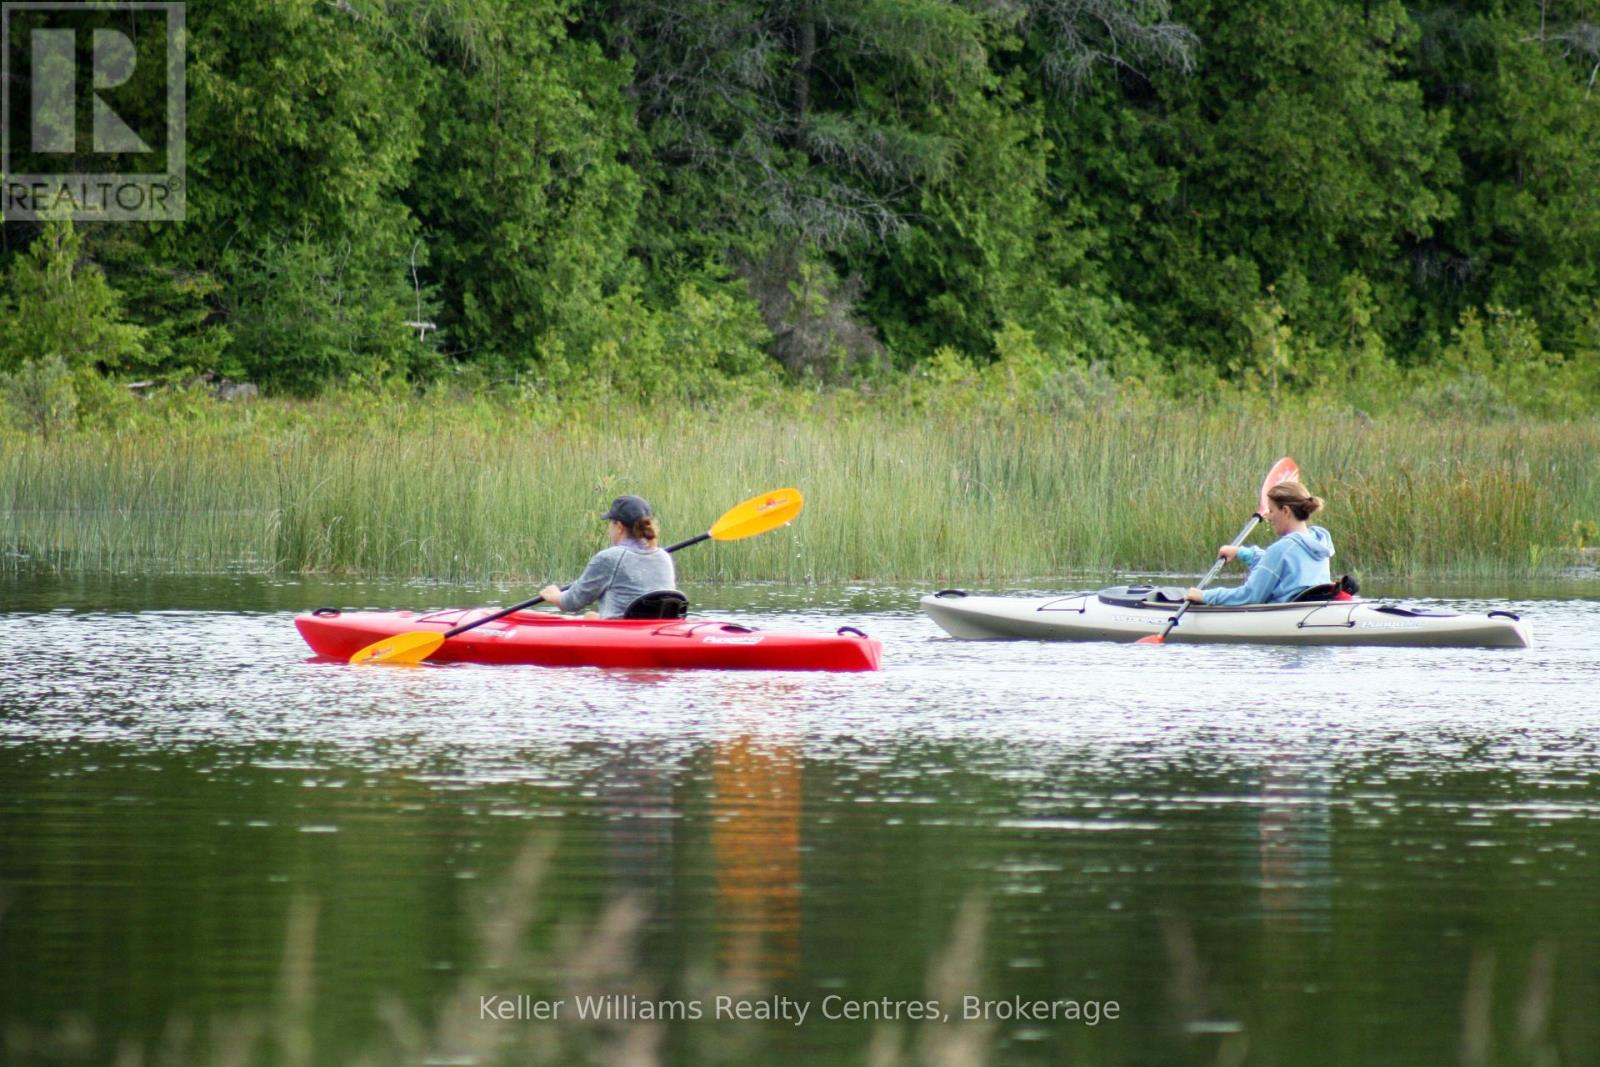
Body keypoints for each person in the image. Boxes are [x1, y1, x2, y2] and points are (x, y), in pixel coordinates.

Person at [1185, 480, 1334, 606]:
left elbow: (1250, 596)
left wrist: (1205, 596)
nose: (1268, 517)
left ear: (1286, 511)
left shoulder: (1282, 549)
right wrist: (1241, 552)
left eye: (1271, 511)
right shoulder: (1318, 540)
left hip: (1288, 616)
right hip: (1313, 608)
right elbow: (1276, 565)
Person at [539, 495, 678, 619]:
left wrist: (555, 595)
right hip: (656, 630)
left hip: (622, 632)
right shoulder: (664, 556)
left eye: (610, 523)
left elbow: (572, 602)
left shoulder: (609, 558)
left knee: (590, 617)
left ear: (619, 526)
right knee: (591, 617)